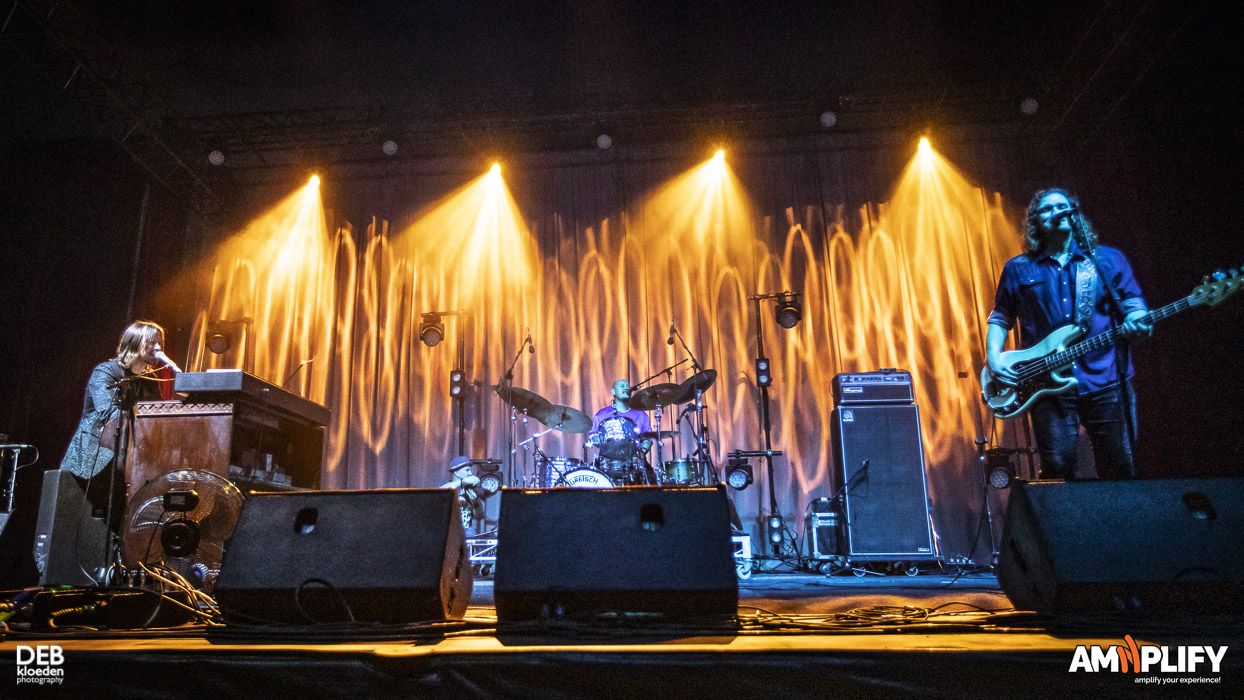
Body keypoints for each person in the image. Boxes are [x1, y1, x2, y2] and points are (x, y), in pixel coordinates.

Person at [985, 189, 1152, 479]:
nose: (1058, 211)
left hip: (1107, 379)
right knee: (1058, 468)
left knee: (1121, 468)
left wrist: (1137, 319)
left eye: (1063, 206)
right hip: (1046, 385)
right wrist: (993, 358)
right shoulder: (1018, 268)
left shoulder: (1106, 260)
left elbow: (1132, 303)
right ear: (1035, 222)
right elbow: (1000, 318)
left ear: (1075, 215)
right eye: (1048, 209)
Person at [60, 321, 170, 528]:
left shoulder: (150, 379)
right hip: (95, 460)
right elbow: (109, 413)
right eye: (151, 342)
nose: (158, 348)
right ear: (134, 343)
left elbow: (159, 416)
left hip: (129, 463)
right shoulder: (105, 372)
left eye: (159, 343)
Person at [590, 379, 654, 482]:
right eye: (622, 386)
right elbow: (594, 436)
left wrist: (641, 452)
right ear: (613, 391)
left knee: (651, 478)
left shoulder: (641, 414)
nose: (626, 388)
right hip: (608, 462)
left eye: (628, 386)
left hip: (634, 461)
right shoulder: (601, 414)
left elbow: (648, 438)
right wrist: (601, 442)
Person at [440, 456, 483, 534]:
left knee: (471, 533)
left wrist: (475, 501)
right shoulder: (445, 484)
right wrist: (463, 481)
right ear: (456, 473)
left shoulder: (470, 489)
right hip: (448, 530)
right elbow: (439, 491)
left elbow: (479, 516)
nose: (470, 473)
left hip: (467, 531)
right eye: (467, 470)